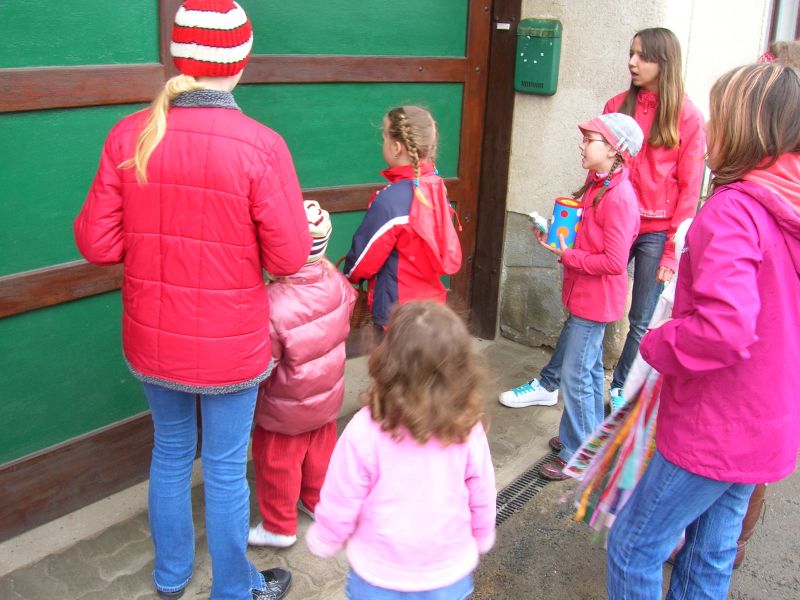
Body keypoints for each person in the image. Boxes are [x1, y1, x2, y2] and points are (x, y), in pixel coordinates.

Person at [73, 2, 310, 598]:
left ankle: (170, 576)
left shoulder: (131, 133)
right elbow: (288, 258)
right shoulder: (262, 146)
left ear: (179, 57)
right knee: (226, 469)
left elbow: (98, 243)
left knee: (171, 453)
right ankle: (233, 589)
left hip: (152, 337)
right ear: (241, 62)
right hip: (231, 344)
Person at [606, 62, 800, 599]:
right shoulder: (789, 202)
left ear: (747, 126)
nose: (709, 127)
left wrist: (656, 343)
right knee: (711, 552)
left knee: (633, 545)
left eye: (719, 114)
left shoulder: (735, 210)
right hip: (766, 420)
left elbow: (723, 328)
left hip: (716, 423)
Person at [499, 28, 705, 409]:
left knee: (640, 318)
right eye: (631, 53)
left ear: (665, 62)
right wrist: (576, 224)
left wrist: (671, 251)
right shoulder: (617, 104)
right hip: (612, 223)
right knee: (583, 306)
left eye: (642, 56)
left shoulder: (688, 117)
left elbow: (690, 188)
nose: (632, 62)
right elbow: (598, 171)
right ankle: (549, 383)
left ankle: (620, 387)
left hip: (656, 231)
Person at [306, 301, 496, 600]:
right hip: (447, 572)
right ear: (460, 366)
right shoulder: (467, 427)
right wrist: (483, 534)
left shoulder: (365, 428)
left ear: (387, 360)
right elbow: (483, 490)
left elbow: (342, 494)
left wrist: (327, 537)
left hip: (378, 573)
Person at [503, 113, 643, 481]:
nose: (582, 145)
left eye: (590, 139)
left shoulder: (618, 197)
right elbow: (590, 239)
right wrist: (555, 237)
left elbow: (614, 262)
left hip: (595, 301)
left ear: (613, 150)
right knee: (590, 372)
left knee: (576, 374)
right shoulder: (600, 185)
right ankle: (583, 440)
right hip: (588, 297)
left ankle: (580, 456)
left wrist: (568, 256)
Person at [248, 201, 357, 549]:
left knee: (278, 463)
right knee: (320, 453)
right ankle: (317, 502)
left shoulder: (271, 302)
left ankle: (279, 527)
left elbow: (263, 364)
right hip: (327, 395)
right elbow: (349, 306)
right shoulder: (334, 279)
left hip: (284, 409)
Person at [343, 106, 462, 332]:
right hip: (432, 311)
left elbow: (360, 265)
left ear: (396, 147)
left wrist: (346, 274)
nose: (383, 143)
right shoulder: (437, 188)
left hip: (396, 315)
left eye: (384, 137)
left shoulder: (390, 201)